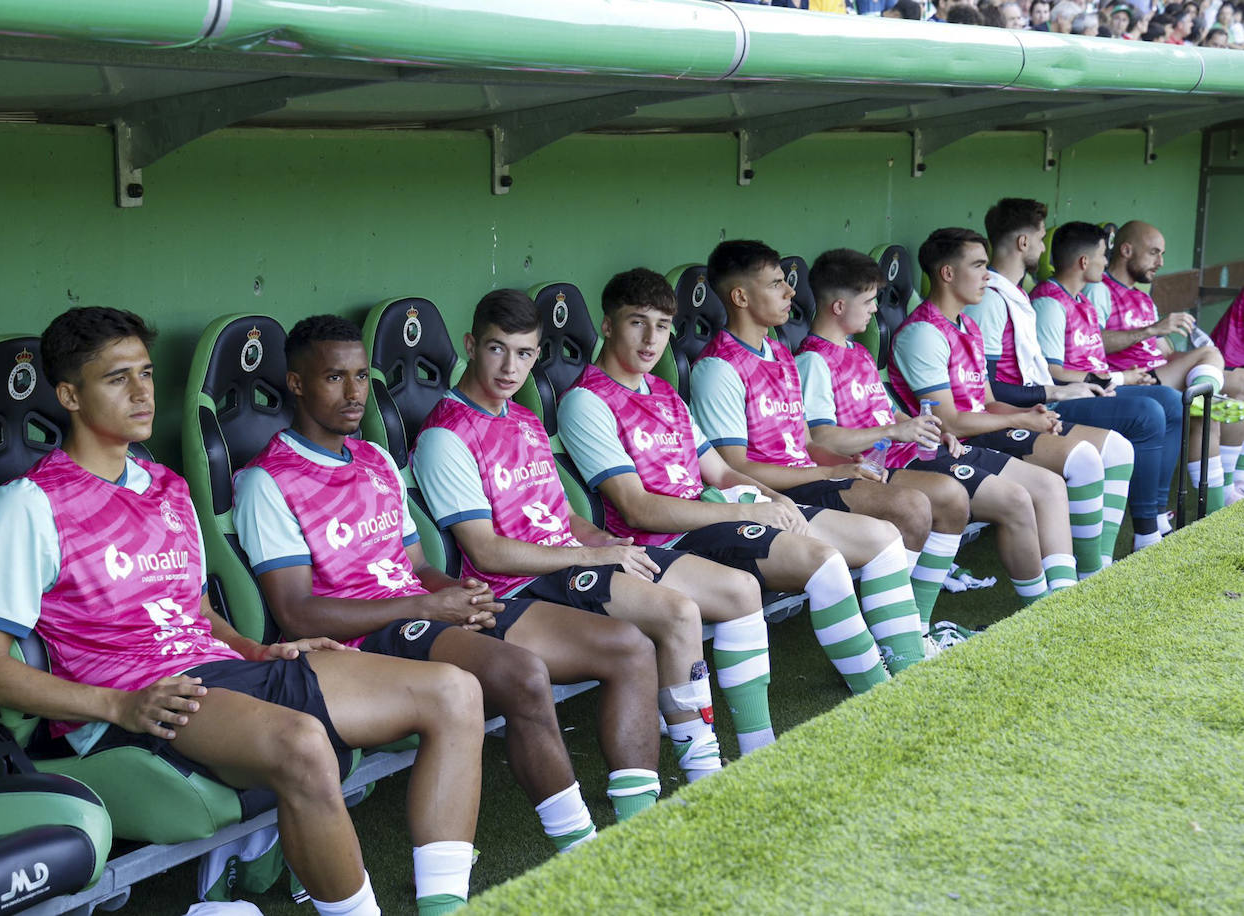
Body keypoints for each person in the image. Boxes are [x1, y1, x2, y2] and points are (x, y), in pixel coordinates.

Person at [0, 307, 484, 916]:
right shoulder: (27, 505)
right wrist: (116, 705)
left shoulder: (169, 488)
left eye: (147, 374)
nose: (141, 392)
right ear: (69, 394)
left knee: (454, 692)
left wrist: (259, 650)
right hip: (140, 700)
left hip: (224, 672)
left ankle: (446, 905)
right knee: (305, 744)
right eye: (116, 378)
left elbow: (197, 612)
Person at [233, 315, 664, 850]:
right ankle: (581, 845)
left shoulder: (375, 460)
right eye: (333, 378)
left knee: (628, 645)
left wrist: (460, 594)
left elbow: (416, 566)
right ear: (296, 383)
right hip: (364, 640)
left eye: (362, 377)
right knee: (522, 673)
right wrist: (426, 606)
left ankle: (641, 822)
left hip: (423, 612)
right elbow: (298, 612)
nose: (353, 393)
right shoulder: (266, 479)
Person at [413, 290, 775, 782]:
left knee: (719, 596)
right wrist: (589, 557)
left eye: (523, 354)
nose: (509, 368)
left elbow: (563, 519)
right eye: (497, 349)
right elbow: (486, 549)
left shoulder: (524, 419)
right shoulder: (446, 433)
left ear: (537, 355)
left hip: (571, 560)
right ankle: (704, 771)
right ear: (470, 345)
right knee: (675, 612)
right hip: (517, 586)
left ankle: (715, 754)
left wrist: (610, 545)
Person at [558, 270, 923, 692]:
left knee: (881, 537)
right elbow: (638, 508)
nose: (650, 340)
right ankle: (879, 692)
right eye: (637, 322)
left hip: (719, 510)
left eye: (661, 326)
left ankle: (909, 667)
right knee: (824, 562)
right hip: (668, 537)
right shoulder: (587, 400)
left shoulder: (664, 391)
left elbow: (721, 471)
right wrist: (748, 510)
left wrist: (773, 500)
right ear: (608, 326)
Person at [690, 240, 965, 653]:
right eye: (776, 285)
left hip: (808, 476)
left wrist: (852, 464)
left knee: (913, 504)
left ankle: (905, 635)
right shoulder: (718, 367)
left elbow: (804, 441)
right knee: (910, 507)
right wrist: (830, 472)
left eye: (787, 283)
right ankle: (902, 642)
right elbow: (736, 469)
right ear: (741, 296)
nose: (790, 294)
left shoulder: (779, 351)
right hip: (773, 491)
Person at [798, 248, 1080, 636]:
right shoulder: (813, 360)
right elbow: (820, 437)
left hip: (916, 451)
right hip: (879, 469)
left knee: (1040, 488)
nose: (875, 310)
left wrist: (921, 425)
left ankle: (1050, 606)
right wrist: (893, 433)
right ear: (839, 306)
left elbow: (885, 413)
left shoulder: (858, 351)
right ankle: (1021, 617)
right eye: (868, 302)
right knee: (1008, 500)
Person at [889, 229, 1087, 599]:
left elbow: (988, 402)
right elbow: (950, 421)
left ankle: (1065, 594)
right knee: (1017, 498)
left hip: (972, 436)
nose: (987, 275)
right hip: (939, 448)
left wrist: (1029, 412)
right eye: (979, 265)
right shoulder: (923, 333)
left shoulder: (970, 326)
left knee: (1051, 484)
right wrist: (1018, 420)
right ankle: (1042, 604)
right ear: (947, 273)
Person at [970, 199, 1162, 560]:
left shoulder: (1015, 293)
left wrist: (1067, 387)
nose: (1045, 249)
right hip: (1007, 412)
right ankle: (1117, 551)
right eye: (1041, 239)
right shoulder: (990, 299)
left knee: (1130, 433)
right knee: (1142, 417)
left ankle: (1100, 565)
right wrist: (1057, 390)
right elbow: (988, 391)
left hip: (1037, 399)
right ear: (1024, 243)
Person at [1092, 219, 1243, 512]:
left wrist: (1168, 342)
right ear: (1126, 250)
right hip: (1130, 379)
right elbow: (1093, 343)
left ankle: (1230, 490)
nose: (1161, 262)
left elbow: (1161, 350)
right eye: (1154, 253)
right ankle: (1204, 397)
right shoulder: (1100, 290)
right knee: (1209, 363)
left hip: (1158, 372)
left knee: (1236, 384)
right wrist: (1154, 329)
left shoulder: (1142, 297)